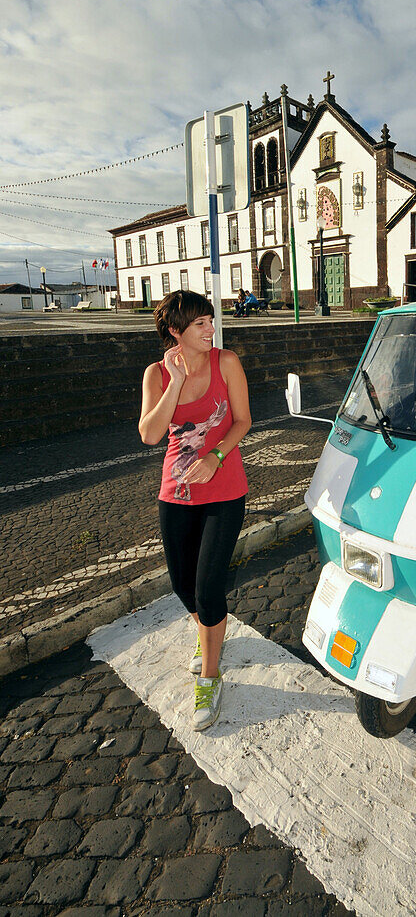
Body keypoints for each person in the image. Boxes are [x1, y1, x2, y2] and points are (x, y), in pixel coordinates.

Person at [139, 290, 251, 731]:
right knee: (183, 585)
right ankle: (207, 636)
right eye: (201, 323)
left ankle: (210, 675)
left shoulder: (227, 362)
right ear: (175, 332)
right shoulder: (156, 373)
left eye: (210, 320)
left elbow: (242, 420)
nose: (211, 328)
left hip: (224, 491)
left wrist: (215, 456)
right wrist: (176, 381)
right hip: (176, 493)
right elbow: (150, 433)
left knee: (208, 587)